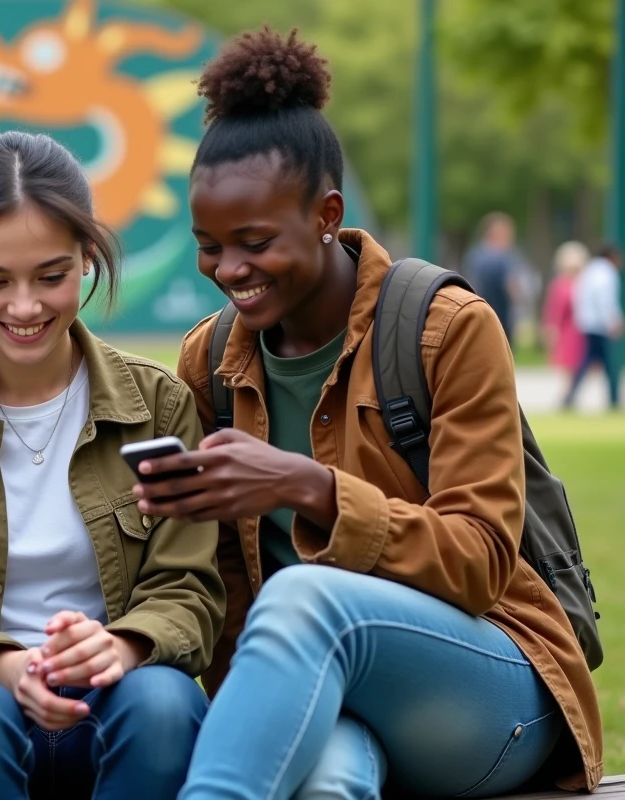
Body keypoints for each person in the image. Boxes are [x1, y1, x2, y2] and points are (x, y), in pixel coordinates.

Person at [126, 28, 601, 799]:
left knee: (304, 595)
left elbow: (480, 563)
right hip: (332, 693)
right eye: (208, 246)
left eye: (253, 241)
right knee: (329, 780)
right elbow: (224, 590)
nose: (229, 271)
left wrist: (305, 487)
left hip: (496, 688)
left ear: (326, 214)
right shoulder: (209, 360)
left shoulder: (445, 327)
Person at [0, 131, 226, 800]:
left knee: (166, 705)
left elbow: (189, 589)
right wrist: (2, 664)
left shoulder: (157, 405)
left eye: (51, 277)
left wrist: (123, 647)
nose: (24, 308)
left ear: (88, 256)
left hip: (115, 707)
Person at [563, 242, 622, 410]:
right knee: (609, 364)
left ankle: (571, 395)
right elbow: (605, 300)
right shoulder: (607, 272)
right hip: (599, 325)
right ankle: (613, 398)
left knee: (588, 361)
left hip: (587, 323)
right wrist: (612, 321)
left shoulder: (590, 270)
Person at [465, 211, 522, 347]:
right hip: (493, 312)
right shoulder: (500, 257)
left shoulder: (476, 255)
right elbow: (512, 286)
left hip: (487, 313)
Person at [541, 241, 589, 379]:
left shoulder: (583, 282)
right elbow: (553, 309)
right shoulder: (559, 284)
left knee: (581, 362)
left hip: (580, 328)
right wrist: (550, 328)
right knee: (567, 363)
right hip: (565, 329)